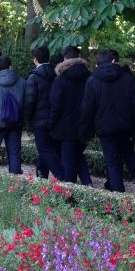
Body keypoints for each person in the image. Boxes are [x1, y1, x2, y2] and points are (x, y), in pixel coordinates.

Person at [80, 50, 135, 192]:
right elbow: (134, 105)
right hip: (125, 126)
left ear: (97, 64)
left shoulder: (92, 80)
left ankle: (118, 195)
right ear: (114, 61)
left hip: (105, 128)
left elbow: (87, 109)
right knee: (130, 157)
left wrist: (84, 132)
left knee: (112, 163)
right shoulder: (127, 77)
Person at [49, 46, 92, 186]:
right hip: (84, 123)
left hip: (65, 125)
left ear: (65, 59)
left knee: (67, 159)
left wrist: (51, 124)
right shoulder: (90, 77)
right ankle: (87, 183)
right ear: (79, 57)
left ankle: (68, 190)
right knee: (78, 154)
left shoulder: (60, 79)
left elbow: (56, 105)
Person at [25, 45, 63, 180]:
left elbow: (30, 101)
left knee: (44, 149)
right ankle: (41, 177)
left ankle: (62, 177)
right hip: (56, 118)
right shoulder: (57, 74)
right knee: (47, 149)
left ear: (35, 59)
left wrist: (28, 119)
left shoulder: (33, 77)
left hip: (40, 119)